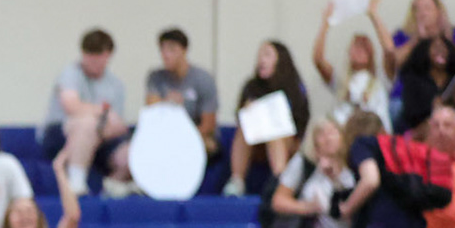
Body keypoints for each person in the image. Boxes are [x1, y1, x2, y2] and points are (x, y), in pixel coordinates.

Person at [41, 28, 129, 196]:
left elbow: (118, 124)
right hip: (60, 134)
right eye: (89, 55)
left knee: (129, 153)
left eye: (98, 55)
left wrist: (102, 127)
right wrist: (103, 112)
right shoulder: (70, 74)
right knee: (86, 123)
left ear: (108, 55)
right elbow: (72, 106)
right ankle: (76, 183)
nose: (93, 61)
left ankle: (111, 189)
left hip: (102, 138)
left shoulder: (115, 85)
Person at [224, 40, 310, 198]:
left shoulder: (294, 88)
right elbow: (240, 116)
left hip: (286, 141)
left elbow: (300, 121)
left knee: (274, 131)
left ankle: (279, 180)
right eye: (260, 55)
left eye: (267, 55)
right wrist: (248, 110)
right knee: (243, 128)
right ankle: (237, 180)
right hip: (256, 141)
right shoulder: (251, 86)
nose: (261, 60)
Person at [311, 0, 394, 126]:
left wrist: (373, 16)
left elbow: (389, 51)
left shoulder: (381, 79)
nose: (360, 50)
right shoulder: (342, 81)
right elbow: (318, 60)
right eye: (356, 46)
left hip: (374, 136)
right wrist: (326, 23)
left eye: (364, 47)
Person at [143, 28, 220, 157]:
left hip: (196, 134)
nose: (165, 55)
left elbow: (208, 124)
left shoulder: (203, 79)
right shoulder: (155, 77)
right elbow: (151, 108)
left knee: (207, 145)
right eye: (162, 49)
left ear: (184, 51)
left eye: (171, 50)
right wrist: (167, 103)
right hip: (163, 136)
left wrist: (183, 137)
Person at [394, 33, 455, 134]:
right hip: (421, 130)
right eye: (435, 48)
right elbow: (410, 114)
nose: (440, 51)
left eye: (443, 48)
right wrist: (432, 107)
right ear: (425, 51)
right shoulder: (414, 80)